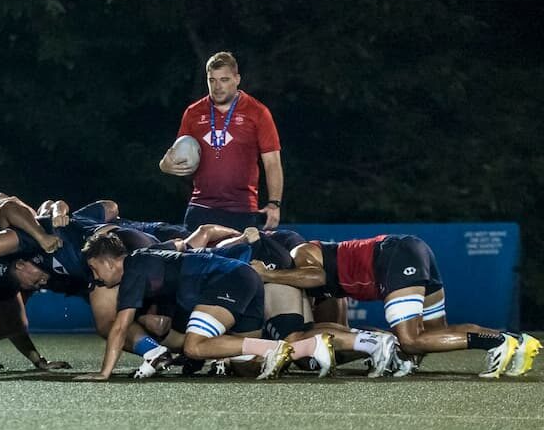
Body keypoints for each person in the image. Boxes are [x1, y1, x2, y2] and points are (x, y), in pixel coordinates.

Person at [252, 234, 541, 378]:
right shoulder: (319, 277)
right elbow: (338, 328)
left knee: (412, 340)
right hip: (410, 251)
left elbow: (316, 275)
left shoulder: (301, 251)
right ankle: (515, 341)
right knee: (432, 335)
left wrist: (267, 275)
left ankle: (499, 341)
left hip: (393, 258)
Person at [75, 233, 335, 381]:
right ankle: (312, 347)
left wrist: (103, 373)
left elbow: (119, 327)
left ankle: (297, 348)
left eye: (94, 268)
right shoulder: (146, 260)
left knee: (194, 346)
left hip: (228, 279)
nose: (95, 277)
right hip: (244, 279)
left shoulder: (132, 268)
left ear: (108, 262)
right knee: (247, 365)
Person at [159, 51, 283, 231]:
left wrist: (274, 203)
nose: (217, 87)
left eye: (224, 80)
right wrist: (165, 166)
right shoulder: (193, 112)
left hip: (241, 209)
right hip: (200, 207)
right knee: (194, 259)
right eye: (212, 80)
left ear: (237, 79)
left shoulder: (257, 112)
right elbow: (175, 155)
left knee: (240, 259)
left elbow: (272, 162)